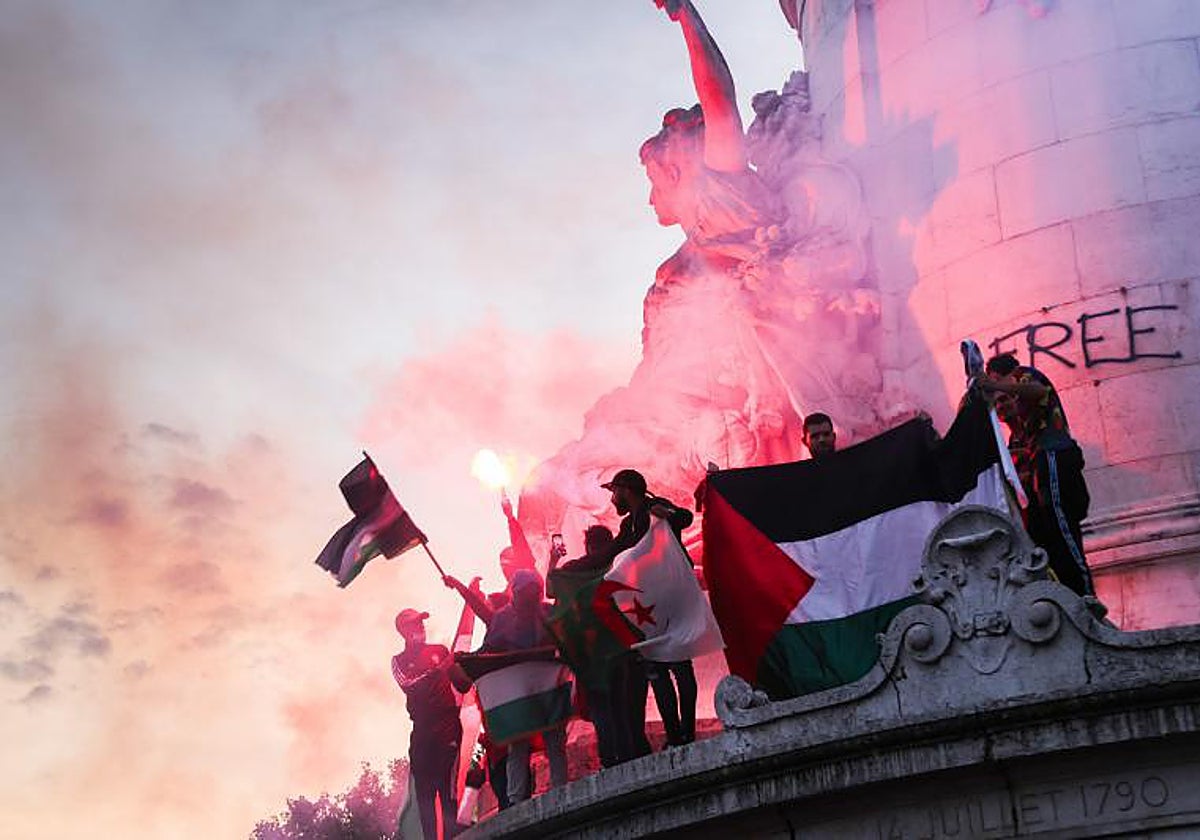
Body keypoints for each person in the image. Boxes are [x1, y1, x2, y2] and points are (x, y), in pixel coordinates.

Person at [980, 353, 1095, 597]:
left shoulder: (1023, 374)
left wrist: (996, 385)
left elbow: (1037, 390)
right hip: (1042, 465)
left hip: (1053, 455)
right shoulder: (1020, 431)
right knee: (1048, 532)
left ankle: (1084, 593)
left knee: (1060, 525)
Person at [602, 468, 698, 748]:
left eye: (614, 492)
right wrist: (572, 568)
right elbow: (611, 552)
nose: (612, 499)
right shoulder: (627, 525)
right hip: (647, 605)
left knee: (680, 665)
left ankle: (688, 732)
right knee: (657, 669)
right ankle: (675, 737)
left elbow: (685, 517)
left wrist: (668, 514)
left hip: (672, 597)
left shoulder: (655, 506)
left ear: (625, 489)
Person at [546, 524, 644, 767]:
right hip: (619, 647)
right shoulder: (618, 565)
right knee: (620, 706)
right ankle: (628, 757)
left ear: (588, 546)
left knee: (602, 707)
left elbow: (551, 589)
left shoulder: (574, 570)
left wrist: (553, 559)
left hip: (590, 653)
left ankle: (609, 759)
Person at [481, 569, 569, 803]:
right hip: (517, 691)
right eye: (526, 592)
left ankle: (561, 790)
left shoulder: (547, 612)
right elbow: (489, 648)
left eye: (534, 592)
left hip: (547, 686)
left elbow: (564, 636)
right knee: (518, 744)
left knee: (554, 739)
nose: (531, 597)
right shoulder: (502, 618)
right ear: (516, 593)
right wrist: (470, 659)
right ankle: (515, 798)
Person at [392, 609, 463, 840]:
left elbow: (461, 683)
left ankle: (453, 835)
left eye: (421, 623)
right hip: (422, 730)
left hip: (448, 724)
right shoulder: (399, 661)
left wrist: (466, 663)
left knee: (447, 785)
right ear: (403, 630)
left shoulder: (440, 651)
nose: (420, 627)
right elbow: (410, 686)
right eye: (415, 624)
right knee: (425, 793)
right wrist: (438, 670)